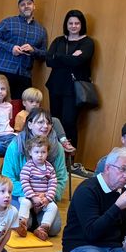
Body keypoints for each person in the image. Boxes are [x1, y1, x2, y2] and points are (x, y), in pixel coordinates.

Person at [1, 109, 68, 236]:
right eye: (40, 122)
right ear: (30, 124)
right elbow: (7, 178)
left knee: (54, 229)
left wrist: (46, 197)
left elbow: (60, 178)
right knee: (26, 222)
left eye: (48, 123)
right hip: (21, 194)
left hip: (45, 197)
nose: (45, 126)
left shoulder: (57, 148)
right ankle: (30, 222)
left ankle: (40, 226)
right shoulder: (16, 145)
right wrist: (32, 195)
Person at [45, 9, 95, 148]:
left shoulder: (87, 43)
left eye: (77, 23)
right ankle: (54, 154)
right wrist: (71, 56)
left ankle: (70, 160)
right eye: (70, 23)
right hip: (55, 86)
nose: (73, 26)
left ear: (82, 25)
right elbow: (49, 61)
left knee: (68, 122)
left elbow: (79, 61)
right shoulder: (59, 40)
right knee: (54, 122)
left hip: (74, 89)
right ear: (66, 24)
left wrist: (59, 57)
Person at [0, 0, 48, 99]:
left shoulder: (41, 30)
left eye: (29, 3)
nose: (26, 6)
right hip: (3, 70)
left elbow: (44, 54)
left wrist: (33, 50)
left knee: (20, 108)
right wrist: (11, 48)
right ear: (19, 8)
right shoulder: (8, 22)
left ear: (34, 6)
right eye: (22, 4)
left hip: (24, 75)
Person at [17, 136, 58, 241]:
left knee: (53, 207)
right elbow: (24, 182)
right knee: (25, 203)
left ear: (47, 153)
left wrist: (48, 198)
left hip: (44, 198)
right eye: (36, 152)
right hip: (30, 197)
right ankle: (22, 223)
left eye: (43, 152)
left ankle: (43, 228)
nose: (40, 155)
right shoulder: (28, 166)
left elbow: (53, 183)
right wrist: (33, 197)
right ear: (30, 152)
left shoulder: (49, 168)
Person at [12, 87, 75, 152]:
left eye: (37, 102)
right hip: (29, 138)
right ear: (24, 103)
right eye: (31, 101)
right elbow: (18, 132)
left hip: (43, 138)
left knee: (54, 120)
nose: (34, 104)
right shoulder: (21, 115)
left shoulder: (41, 115)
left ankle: (63, 141)